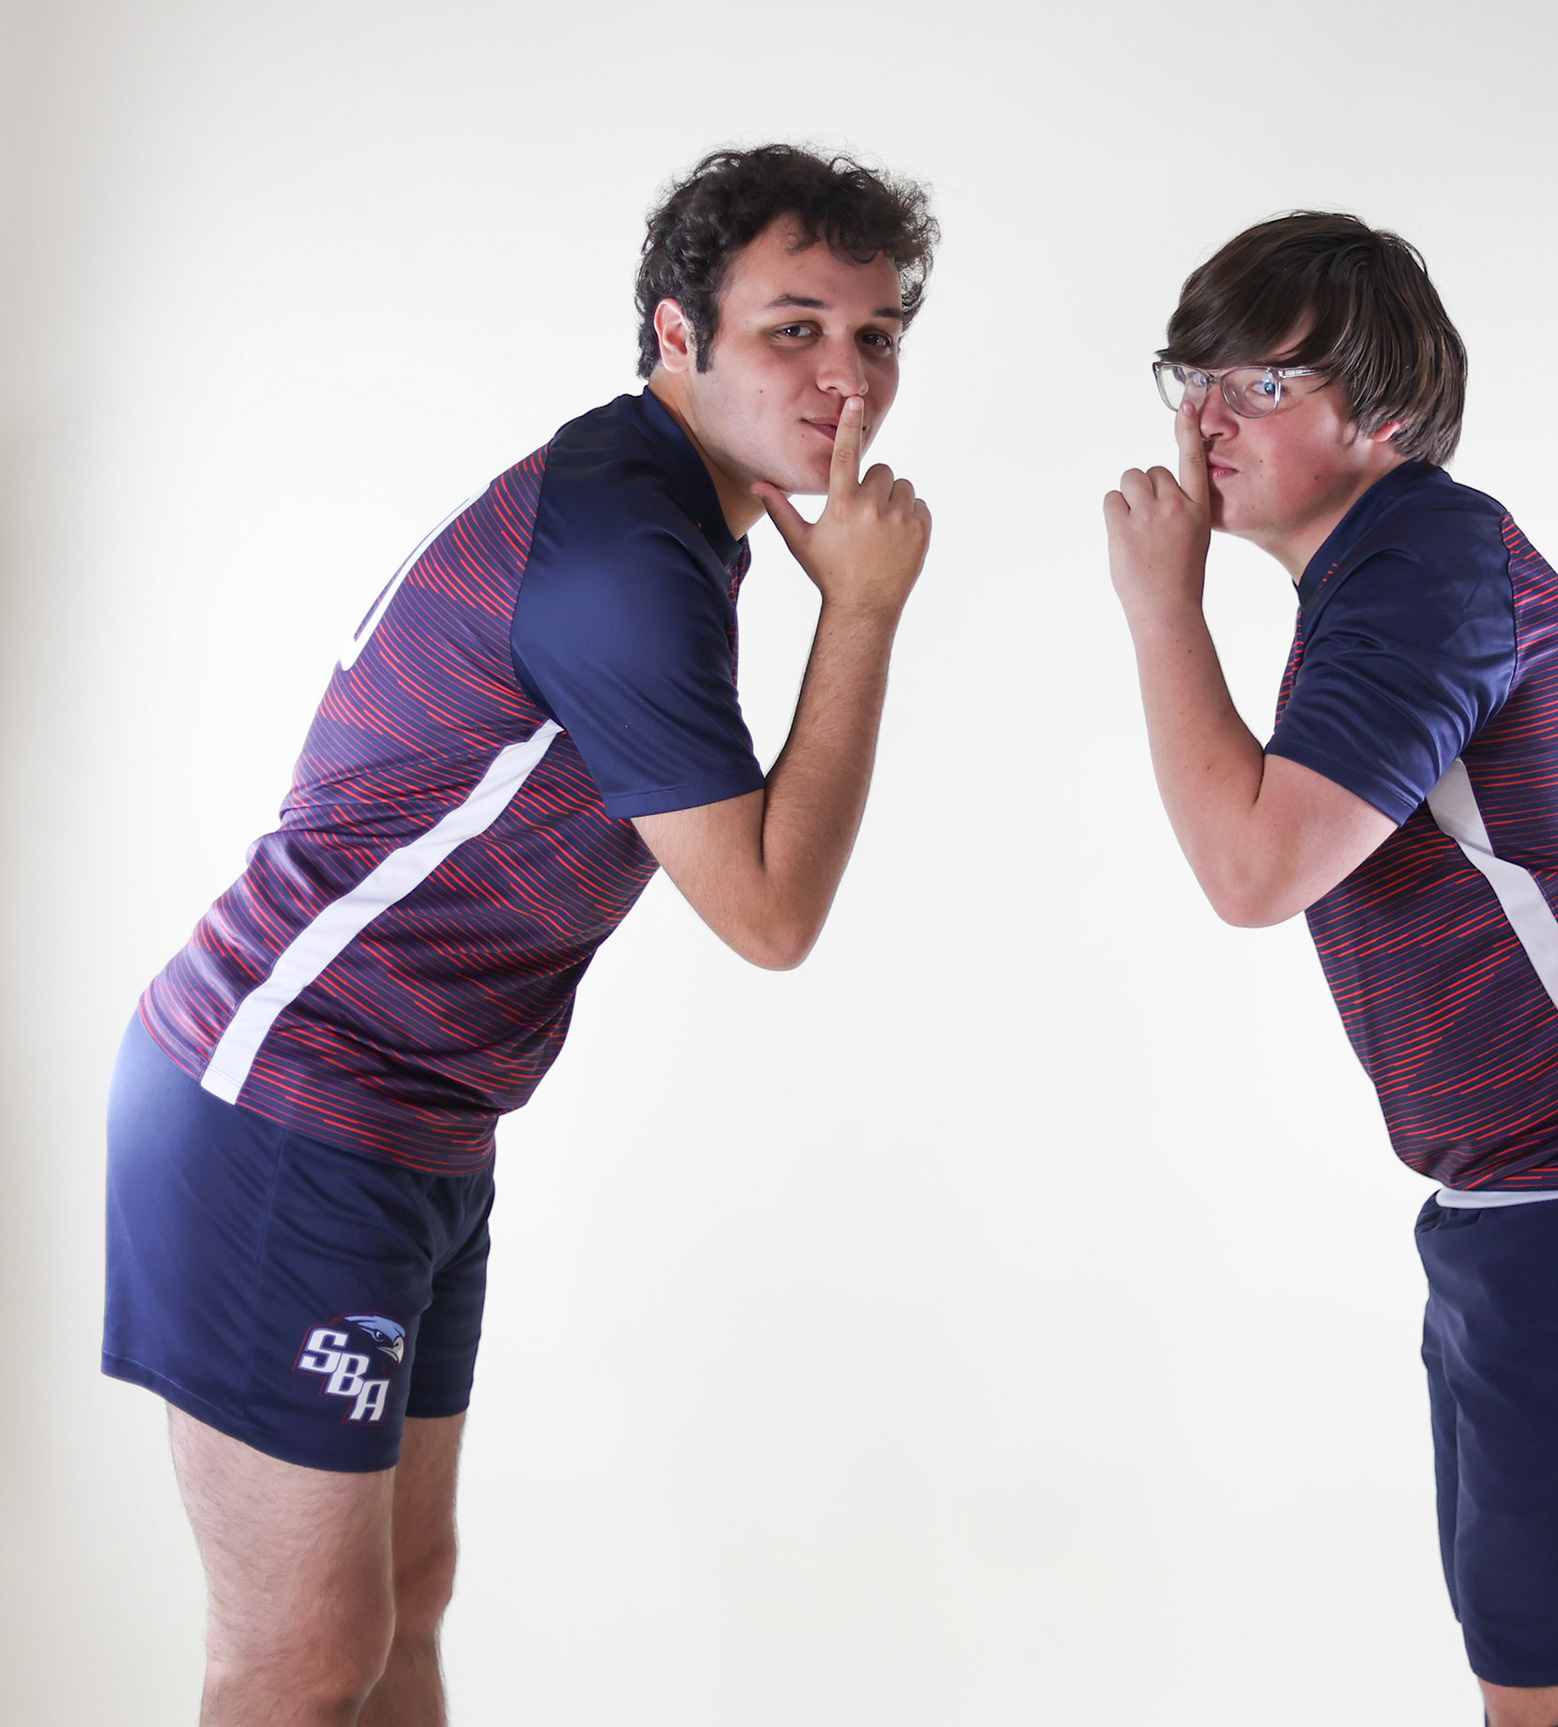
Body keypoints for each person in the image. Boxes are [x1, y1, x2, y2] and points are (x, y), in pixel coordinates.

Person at [103, 143, 936, 1726]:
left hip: (419, 1123)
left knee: (408, 1604)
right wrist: (868, 616)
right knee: (297, 1662)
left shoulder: (668, 510)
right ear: (677, 338)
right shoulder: (627, 549)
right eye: (795, 327)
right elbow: (766, 912)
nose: (848, 377)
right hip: (285, 1110)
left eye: (877, 334)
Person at [1102, 211, 1558, 1727]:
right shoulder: (1381, 574)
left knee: (1552, 1696)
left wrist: (1162, 607)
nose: (1202, 418)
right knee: (1544, 1677)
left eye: (1258, 384)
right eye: (1194, 373)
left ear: (1382, 417)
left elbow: (1253, 868)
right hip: (1553, 1182)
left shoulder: (1423, 570)